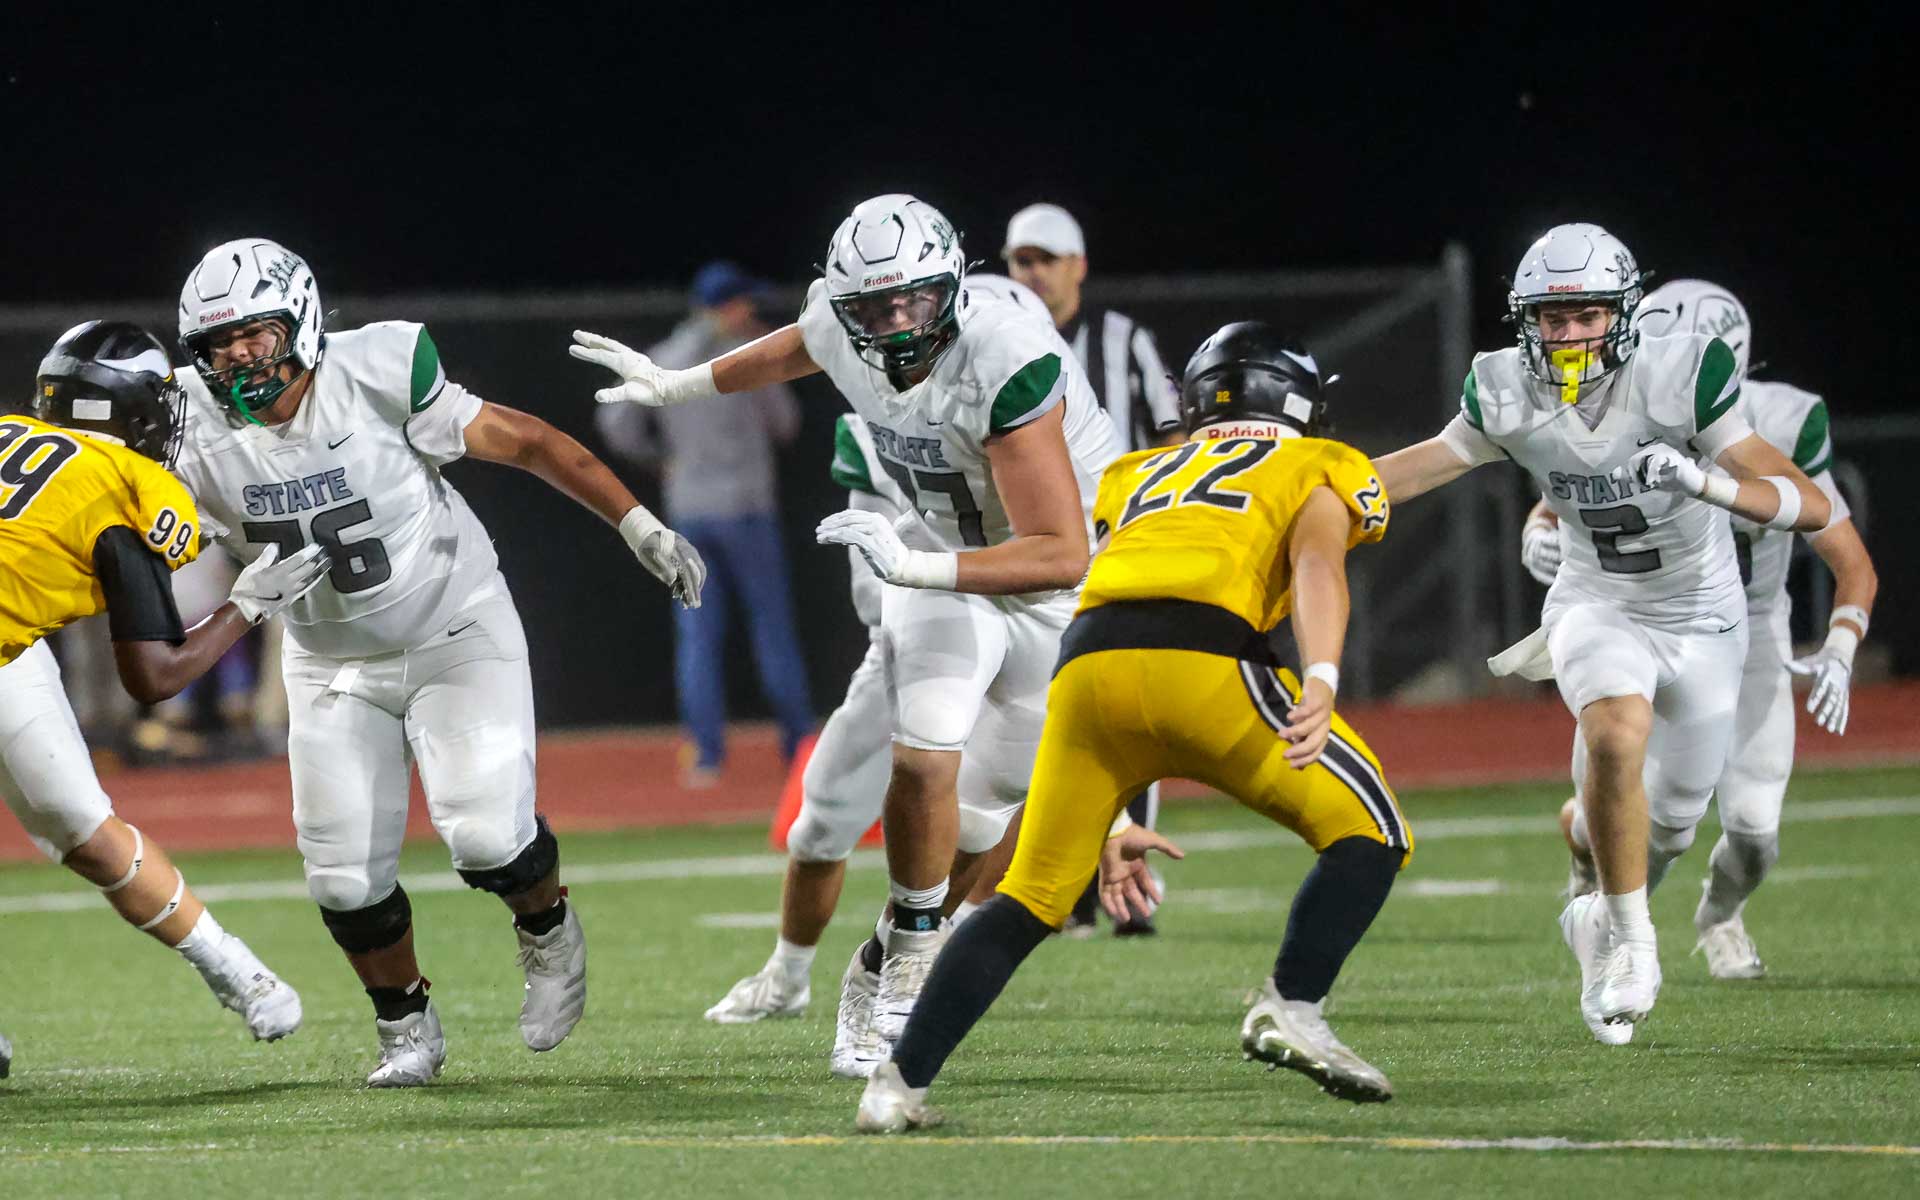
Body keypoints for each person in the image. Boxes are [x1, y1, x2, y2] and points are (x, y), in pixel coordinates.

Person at [573, 194, 1120, 1071]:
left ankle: (879, 960)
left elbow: (1059, 552)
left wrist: (914, 568)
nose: (895, 323)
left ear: (953, 285)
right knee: (925, 752)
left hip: (1051, 586)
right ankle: (908, 963)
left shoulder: (1006, 359)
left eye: (913, 301)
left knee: (983, 822)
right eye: (873, 307)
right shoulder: (839, 320)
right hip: (940, 561)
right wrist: (680, 383)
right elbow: (801, 344)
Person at [172, 238, 706, 1086]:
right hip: (328, 659)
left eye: (254, 334)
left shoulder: (375, 370)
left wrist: (636, 523)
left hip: (451, 627)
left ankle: (547, 929)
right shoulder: (182, 422)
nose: (238, 356)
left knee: (489, 839)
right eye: (217, 343)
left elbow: (527, 442)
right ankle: (405, 1024)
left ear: (299, 321)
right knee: (343, 878)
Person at [856, 322, 1407, 1132]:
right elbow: (1319, 564)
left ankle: (895, 1086)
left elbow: (1125, 607)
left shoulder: (1136, 471)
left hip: (1086, 668)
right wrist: (1322, 675)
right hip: (1206, 658)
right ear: (1299, 403)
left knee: (1028, 899)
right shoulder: (1319, 461)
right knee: (1372, 833)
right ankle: (1293, 1004)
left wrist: (1111, 812)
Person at [1371, 225, 1831, 1043]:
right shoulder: (1506, 387)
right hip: (1597, 599)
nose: (1570, 334)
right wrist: (1306, 494)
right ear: (1527, 323)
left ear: (1622, 314)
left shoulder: (1679, 375)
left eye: (1587, 315)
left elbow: (1810, 504)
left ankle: (1593, 912)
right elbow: (1420, 467)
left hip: (1703, 618)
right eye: (1552, 318)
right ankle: (1634, 944)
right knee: (1616, 732)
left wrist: (1705, 483)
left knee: (1675, 825)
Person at [1521, 279, 1877, 980]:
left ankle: (1719, 916)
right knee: (1610, 810)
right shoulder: (1619, 400)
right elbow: (1562, 494)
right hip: (1635, 615)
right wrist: (1536, 528)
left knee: (1754, 830)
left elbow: (1851, 560)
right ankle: (1597, 878)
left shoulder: (1781, 423)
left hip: (1747, 628)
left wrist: (1840, 645)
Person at [2, 320, 329, 1044]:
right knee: (90, 832)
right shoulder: (127, 488)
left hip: (7, 647)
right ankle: (242, 972)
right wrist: (247, 606)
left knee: (81, 823)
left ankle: (234, 967)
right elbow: (153, 676)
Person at [702, 408, 1017, 1078]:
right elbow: (871, 583)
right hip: (914, 641)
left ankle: (918, 957)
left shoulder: (1007, 408)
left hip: (1015, 627)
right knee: (822, 817)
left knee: (985, 815)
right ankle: (787, 976)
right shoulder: (868, 422)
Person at [1004, 202, 1183, 934]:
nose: (1032, 273)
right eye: (1021, 261)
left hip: (1122, 553)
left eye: (1045, 259)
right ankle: (1070, 883)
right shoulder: (997, 340)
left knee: (1129, 714)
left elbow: (1175, 436)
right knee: (1043, 715)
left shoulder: (1124, 340)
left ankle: (1128, 884)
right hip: (1039, 559)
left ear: (1078, 265)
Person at [595, 262, 812, 785]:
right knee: (772, 630)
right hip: (748, 510)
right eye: (744, 302)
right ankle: (800, 750)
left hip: (690, 511)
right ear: (729, 306)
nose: (751, 311)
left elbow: (615, 421)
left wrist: (659, 459)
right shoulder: (747, 355)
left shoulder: (666, 356)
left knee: (698, 637)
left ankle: (707, 757)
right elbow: (786, 425)